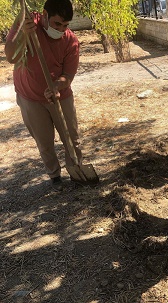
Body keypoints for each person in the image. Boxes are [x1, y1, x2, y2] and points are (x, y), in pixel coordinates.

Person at [5, 0, 82, 191]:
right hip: (29, 96)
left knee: (72, 138)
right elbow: (11, 57)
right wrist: (22, 34)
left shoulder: (71, 41)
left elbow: (69, 75)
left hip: (60, 96)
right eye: (57, 24)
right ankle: (55, 176)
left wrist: (57, 86)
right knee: (44, 140)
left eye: (66, 25)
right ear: (45, 14)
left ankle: (77, 171)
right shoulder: (27, 22)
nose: (62, 29)